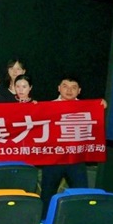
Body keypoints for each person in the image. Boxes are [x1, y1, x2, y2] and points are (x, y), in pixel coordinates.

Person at [40, 76, 102, 213]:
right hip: (53, 158)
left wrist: (100, 105)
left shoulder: (87, 108)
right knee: (47, 195)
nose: (69, 90)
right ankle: (44, 222)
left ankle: (78, 222)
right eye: (65, 86)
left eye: (73, 87)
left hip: (75, 158)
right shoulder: (47, 106)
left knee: (81, 194)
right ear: (58, 88)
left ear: (79, 91)